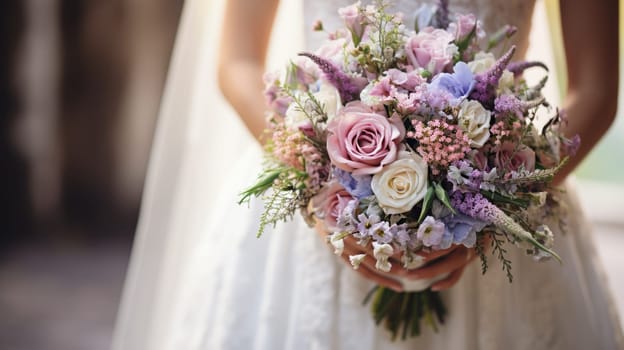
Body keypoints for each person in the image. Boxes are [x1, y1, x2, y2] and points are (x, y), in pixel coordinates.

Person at [112, 0, 624, 349]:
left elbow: (597, 90)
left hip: (508, 215)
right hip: (309, 202)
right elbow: (237, 61)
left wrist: (497, 210)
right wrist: (319, 186)